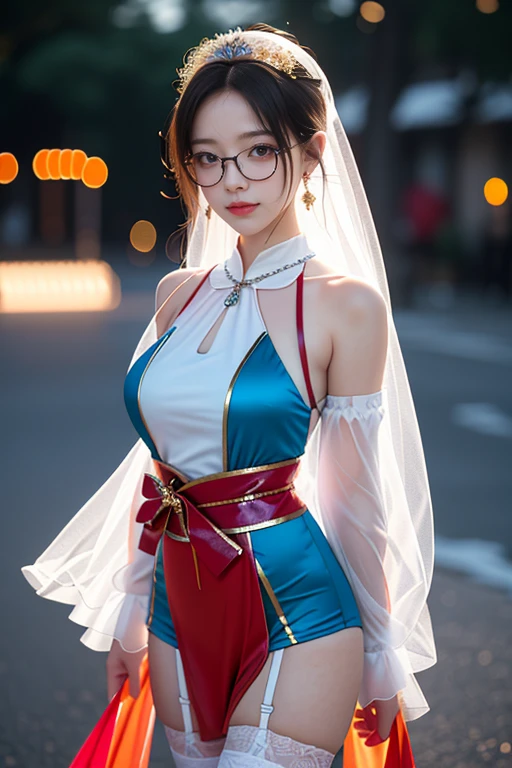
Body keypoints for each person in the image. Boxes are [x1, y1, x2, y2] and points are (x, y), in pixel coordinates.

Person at [22, 24, 437, 768]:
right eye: (207, 160)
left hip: (301, 610)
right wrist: (127, 615)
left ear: (310, 154)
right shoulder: (177, 295)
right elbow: (159, 476)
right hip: (175, 614)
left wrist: (382, 653)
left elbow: (358, 496)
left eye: (258, 151)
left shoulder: (346, 306)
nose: (232, 181)